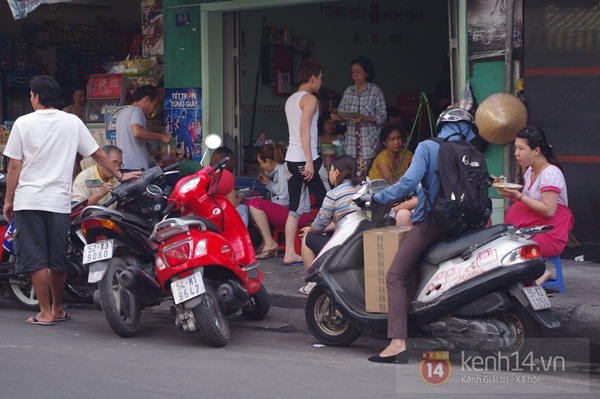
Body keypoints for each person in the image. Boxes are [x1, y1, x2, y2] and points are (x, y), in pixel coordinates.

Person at [2, 75, 139, 326]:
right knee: (58, 258)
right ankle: (57, 308)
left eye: (31, 95)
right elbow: (98, 153)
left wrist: (8, 200)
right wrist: (120, 174)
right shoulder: (72, 122)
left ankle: (44, 312)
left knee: (36, 258)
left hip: (29, 200)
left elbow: (14, 166)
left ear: (36, 97)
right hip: (59, 202)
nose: (30, 99)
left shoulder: (23, 123)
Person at [366, 107, 478, 364]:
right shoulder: (471, 151)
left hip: (434, 224)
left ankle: (396, 343)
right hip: (467, 225)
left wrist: (377, 197)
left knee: (396, 275)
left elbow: (406, 184)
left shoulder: (428, 147)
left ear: (442, 126)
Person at [494, 126, 574, 286]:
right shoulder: (530, 170)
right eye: (516, 148)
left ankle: (541, 274)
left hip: (550, 233)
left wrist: (520, 197)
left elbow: (549, 211)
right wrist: (509, 193)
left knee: (514, 251)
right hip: (532, 228)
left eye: (521, 148)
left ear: (536, 151)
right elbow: (529, 202)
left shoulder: (550, 173)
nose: (516, 153)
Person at [283, 58, 331, 266]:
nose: (320, 83)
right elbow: (304, 129)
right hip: (306, 159)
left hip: (290, 161)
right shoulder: (310, 99)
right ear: (312, 78)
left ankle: (289, 253)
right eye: (320, 79)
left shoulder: (291, 99)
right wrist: (310, 162)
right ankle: (330, 248)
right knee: (331, 200)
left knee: (295, 208)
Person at [298, 155, 361, 295]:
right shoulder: (364, 189)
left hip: (345, 248)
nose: (329, 173)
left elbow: (319, 225)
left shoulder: (334, 194)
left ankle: (313, 284)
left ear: (336, 172)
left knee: (308, 238)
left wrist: (311, 229)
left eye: (330, 170)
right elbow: (346, 220)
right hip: (362, 243)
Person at [246, 144, 309, 259]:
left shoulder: (282, 170)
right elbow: (283, 192)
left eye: (261, 163)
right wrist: (268, 184)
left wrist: (267, 206)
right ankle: (266, 242)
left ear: (268, 161)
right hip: (295, 212)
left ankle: (269, 242)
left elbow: (284, 200)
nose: (261, 167)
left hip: (297, 215)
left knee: (255, 204)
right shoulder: (281, 169)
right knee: (251, 204)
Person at [331, 56, 387, 177]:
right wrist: (338, 116)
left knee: (364, 179)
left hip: (369, 146)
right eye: (352, 72)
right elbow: (343, 118)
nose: (355, 75)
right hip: (351, 146)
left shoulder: (375, 91)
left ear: (366, 73)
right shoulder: (348, 91)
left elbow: (382, 117)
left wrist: (364, 118)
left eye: (358, 72)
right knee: (352, 177)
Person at [368, 124, 417, 226]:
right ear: (384, 142)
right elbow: (392, 183)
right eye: (392, 139)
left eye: (398, 138)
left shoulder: (407, 154)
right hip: (382, 196)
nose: (396, 142)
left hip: (401, 195)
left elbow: (416, 171)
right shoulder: (382, 158)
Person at [116, 85, 172, 171]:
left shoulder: (123, 112)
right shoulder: (137, 111)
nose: (153, 110)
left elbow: (134, 145)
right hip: (135, 167)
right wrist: (161, 137)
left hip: (124, 165)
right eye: (154, 105)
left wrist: (158, 153)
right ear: (147, 99)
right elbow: (137, 132)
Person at [209, 146, 249, 227]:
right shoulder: (226, 177)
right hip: (222, 215)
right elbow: (233, 204)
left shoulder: (208, 174)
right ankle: (240, 238)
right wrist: (241, 196)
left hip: (208, 213)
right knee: (243, 208)